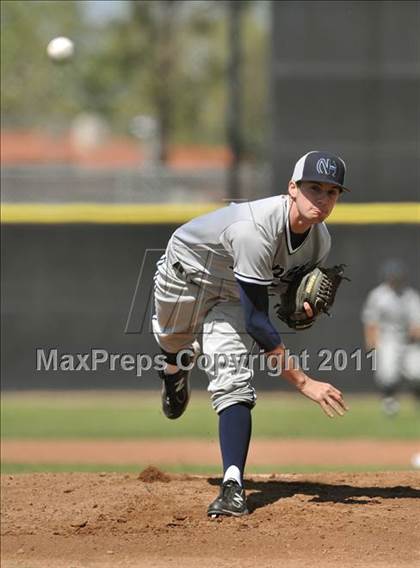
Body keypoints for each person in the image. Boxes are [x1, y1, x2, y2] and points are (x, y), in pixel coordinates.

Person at [152, 150, 349, 517]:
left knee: (232, 379)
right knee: (172, 342)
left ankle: (232, 486)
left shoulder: (320, 242)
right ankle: (175, 368)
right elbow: (259, 322)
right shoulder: (255, 229)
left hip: (234, 295)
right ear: (292, 188)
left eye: (332, 192)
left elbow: (276, 300)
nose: (323, 199)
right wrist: (303, 382)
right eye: (314, 188)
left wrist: (301, 307)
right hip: (188, 274)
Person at [362, 259, 420, 416]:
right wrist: (371, 341)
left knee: (416, 373)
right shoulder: (378, 295)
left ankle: (417, 398)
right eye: (392, 276)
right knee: (388, 373)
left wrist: (415, 333)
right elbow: (371, 321)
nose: (394, 279)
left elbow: (417, 322)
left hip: (409, 341)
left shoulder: (410, 296)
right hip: (387, 339)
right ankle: (389, 402)